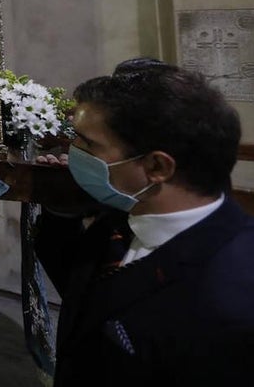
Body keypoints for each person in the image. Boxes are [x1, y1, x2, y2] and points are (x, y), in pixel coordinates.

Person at [33, 62, 254, 386]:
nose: (73, 152)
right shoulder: (126, 214)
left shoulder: (231, 298)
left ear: (157, 166)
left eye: (87, 144)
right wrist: (64, 206)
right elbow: (85, 292)